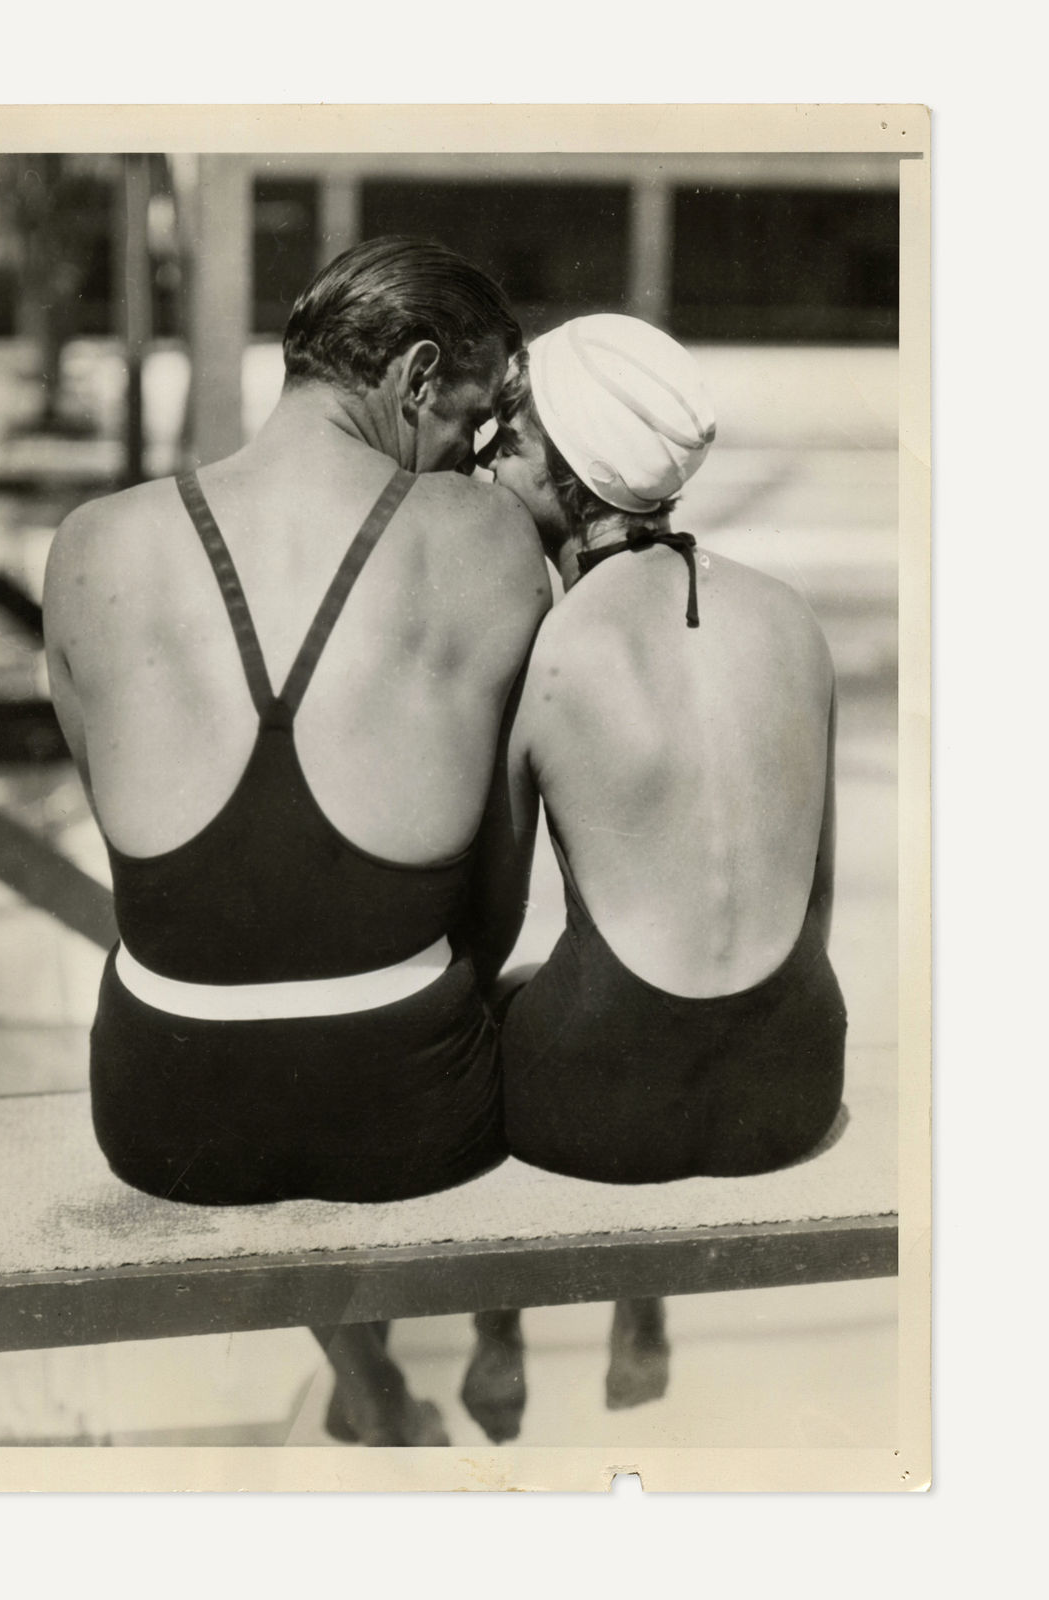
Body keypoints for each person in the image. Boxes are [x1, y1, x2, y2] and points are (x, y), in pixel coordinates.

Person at [42, 238, 550, 1444]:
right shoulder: (485, 542)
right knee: (463, 986)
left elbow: (147, 862)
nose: (469, 460)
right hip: (406, 1112)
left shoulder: (89, 545)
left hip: (162, 1113)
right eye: (472, 425)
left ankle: (367, 1382)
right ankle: (478, 1351)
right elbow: (490, 908)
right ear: (416, 377)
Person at [460, 314, 847, 1437]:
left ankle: (495, 1334)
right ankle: (641, 1313)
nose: (490, 455)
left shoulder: (548, 645)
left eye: (510, 436)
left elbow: (486, 926)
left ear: (568, 471)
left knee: (494, 1001)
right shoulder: (792, 620)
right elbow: (809, 907)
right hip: (793, 1082)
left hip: (603, 1108)